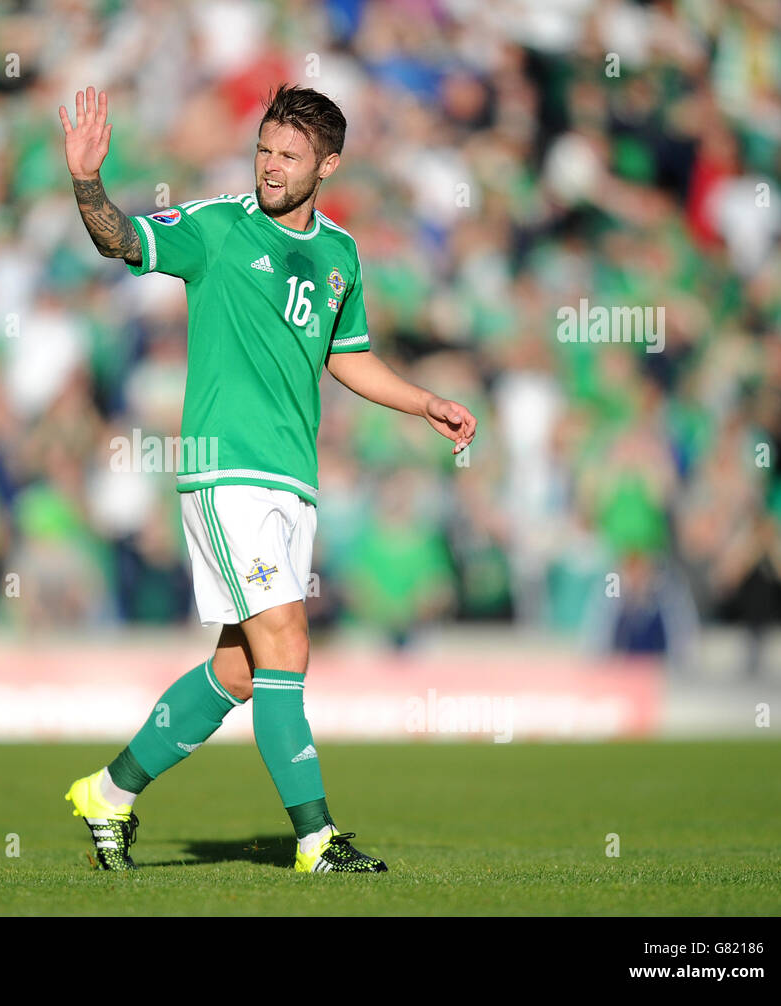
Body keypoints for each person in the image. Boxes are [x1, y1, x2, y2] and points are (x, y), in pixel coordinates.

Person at [59, 83, 477, 872]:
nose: (271, 165)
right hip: (227, 471)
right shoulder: (216, 227)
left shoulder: (340, 254)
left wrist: (424, 402)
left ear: (329, 164)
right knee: (286, 642)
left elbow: (345, 356)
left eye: (289, 154)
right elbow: (118, 240)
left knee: (241, 669)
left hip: (293, 480)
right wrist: (88, 182)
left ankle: (108, 793)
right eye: (264, 148)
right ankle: (317, 841)